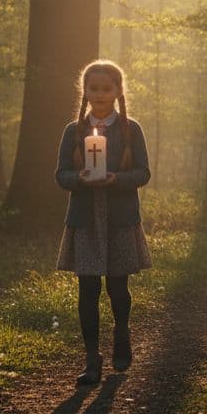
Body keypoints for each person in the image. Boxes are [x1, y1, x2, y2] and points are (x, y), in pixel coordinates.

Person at [55, 59, 152, 386]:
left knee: (117, 287)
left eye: (105, 89)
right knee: (87, 288)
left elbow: (143, 173)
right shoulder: (74, 130)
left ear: (117, 91)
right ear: (85, 91)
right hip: (85, 220)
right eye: (93, 89)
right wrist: (80, 178)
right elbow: (61, 175)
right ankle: (91, 358)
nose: (99, 94)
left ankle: (122, 333)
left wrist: (117, 179)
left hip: (120, 219)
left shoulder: (130, 129)